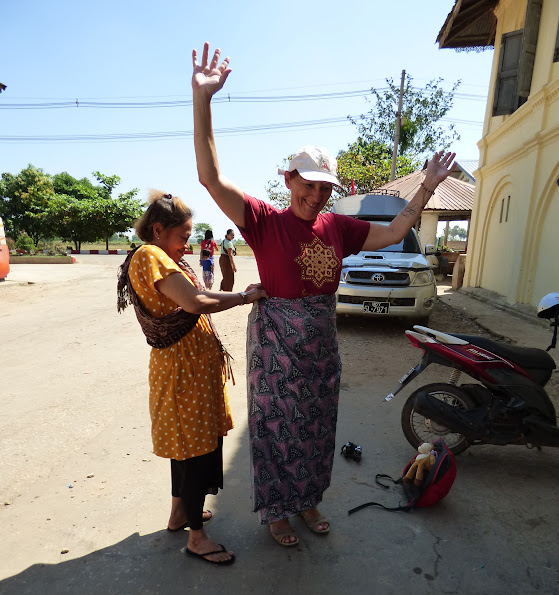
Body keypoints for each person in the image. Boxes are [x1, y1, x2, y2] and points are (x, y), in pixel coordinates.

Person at [192, 42, 455, 547]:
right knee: (273, 428)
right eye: (306, 185)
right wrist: (204, 100)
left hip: (320, 347)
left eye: (323, 189)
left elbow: (397, 228)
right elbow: (210, 177)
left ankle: (308, 500)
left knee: (315, 427)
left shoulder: (338, 226)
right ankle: (276, 511)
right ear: (288, 179)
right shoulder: (264, 222)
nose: (315, 196)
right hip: (274, 349)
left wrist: (427, 186)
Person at [117, 190, 267, 565]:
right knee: (196, 449)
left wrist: (231, 288)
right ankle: (197, 540)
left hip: (189, 370)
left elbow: (197, 296)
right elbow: (196, 302)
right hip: (182, 373)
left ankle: (179, 513)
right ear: (157, 229)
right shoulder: (149, 254)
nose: (188, 245)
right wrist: (245, 298)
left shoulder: (161, 257)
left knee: (188, 446)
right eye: (183, 237)